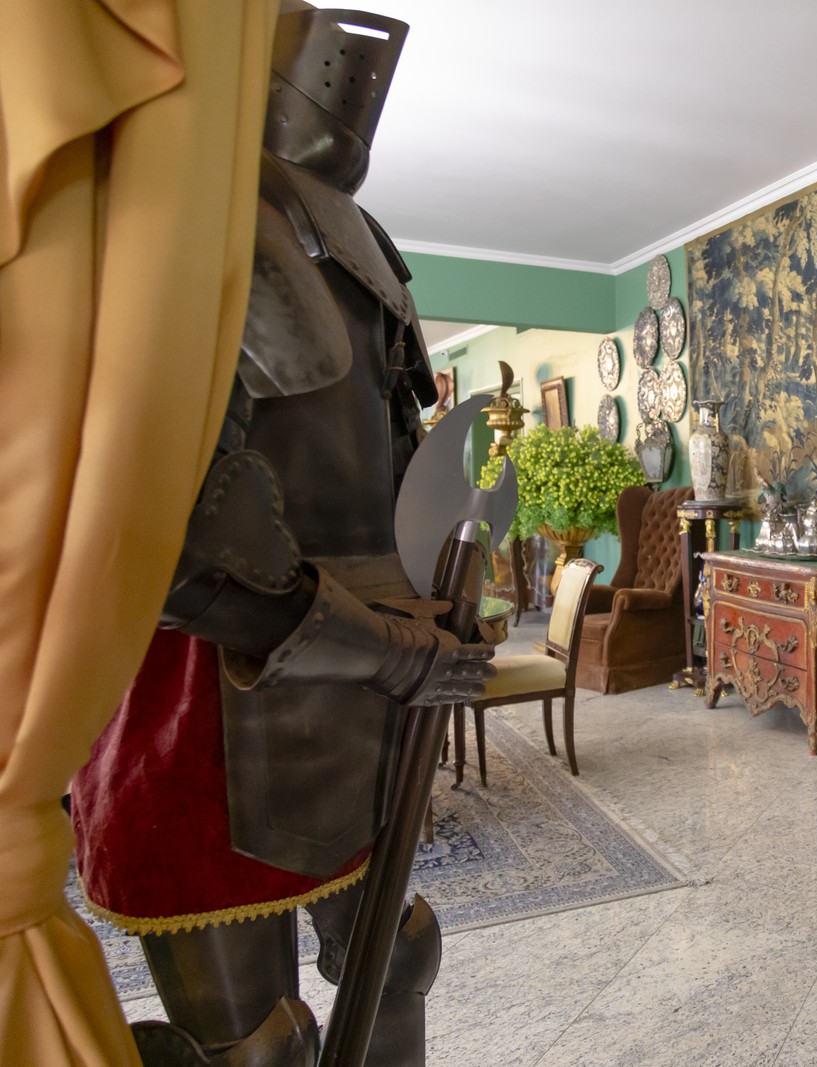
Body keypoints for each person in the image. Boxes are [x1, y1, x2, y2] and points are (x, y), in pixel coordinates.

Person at [70, 5, 491, 1064]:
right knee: (253, 1041)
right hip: (209, 689)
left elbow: (397, 476)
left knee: (396, 953)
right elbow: (173, 550)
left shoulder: (367, 245)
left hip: (358, 682)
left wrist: (435, 618)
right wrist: (398, 650)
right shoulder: (192, 206)